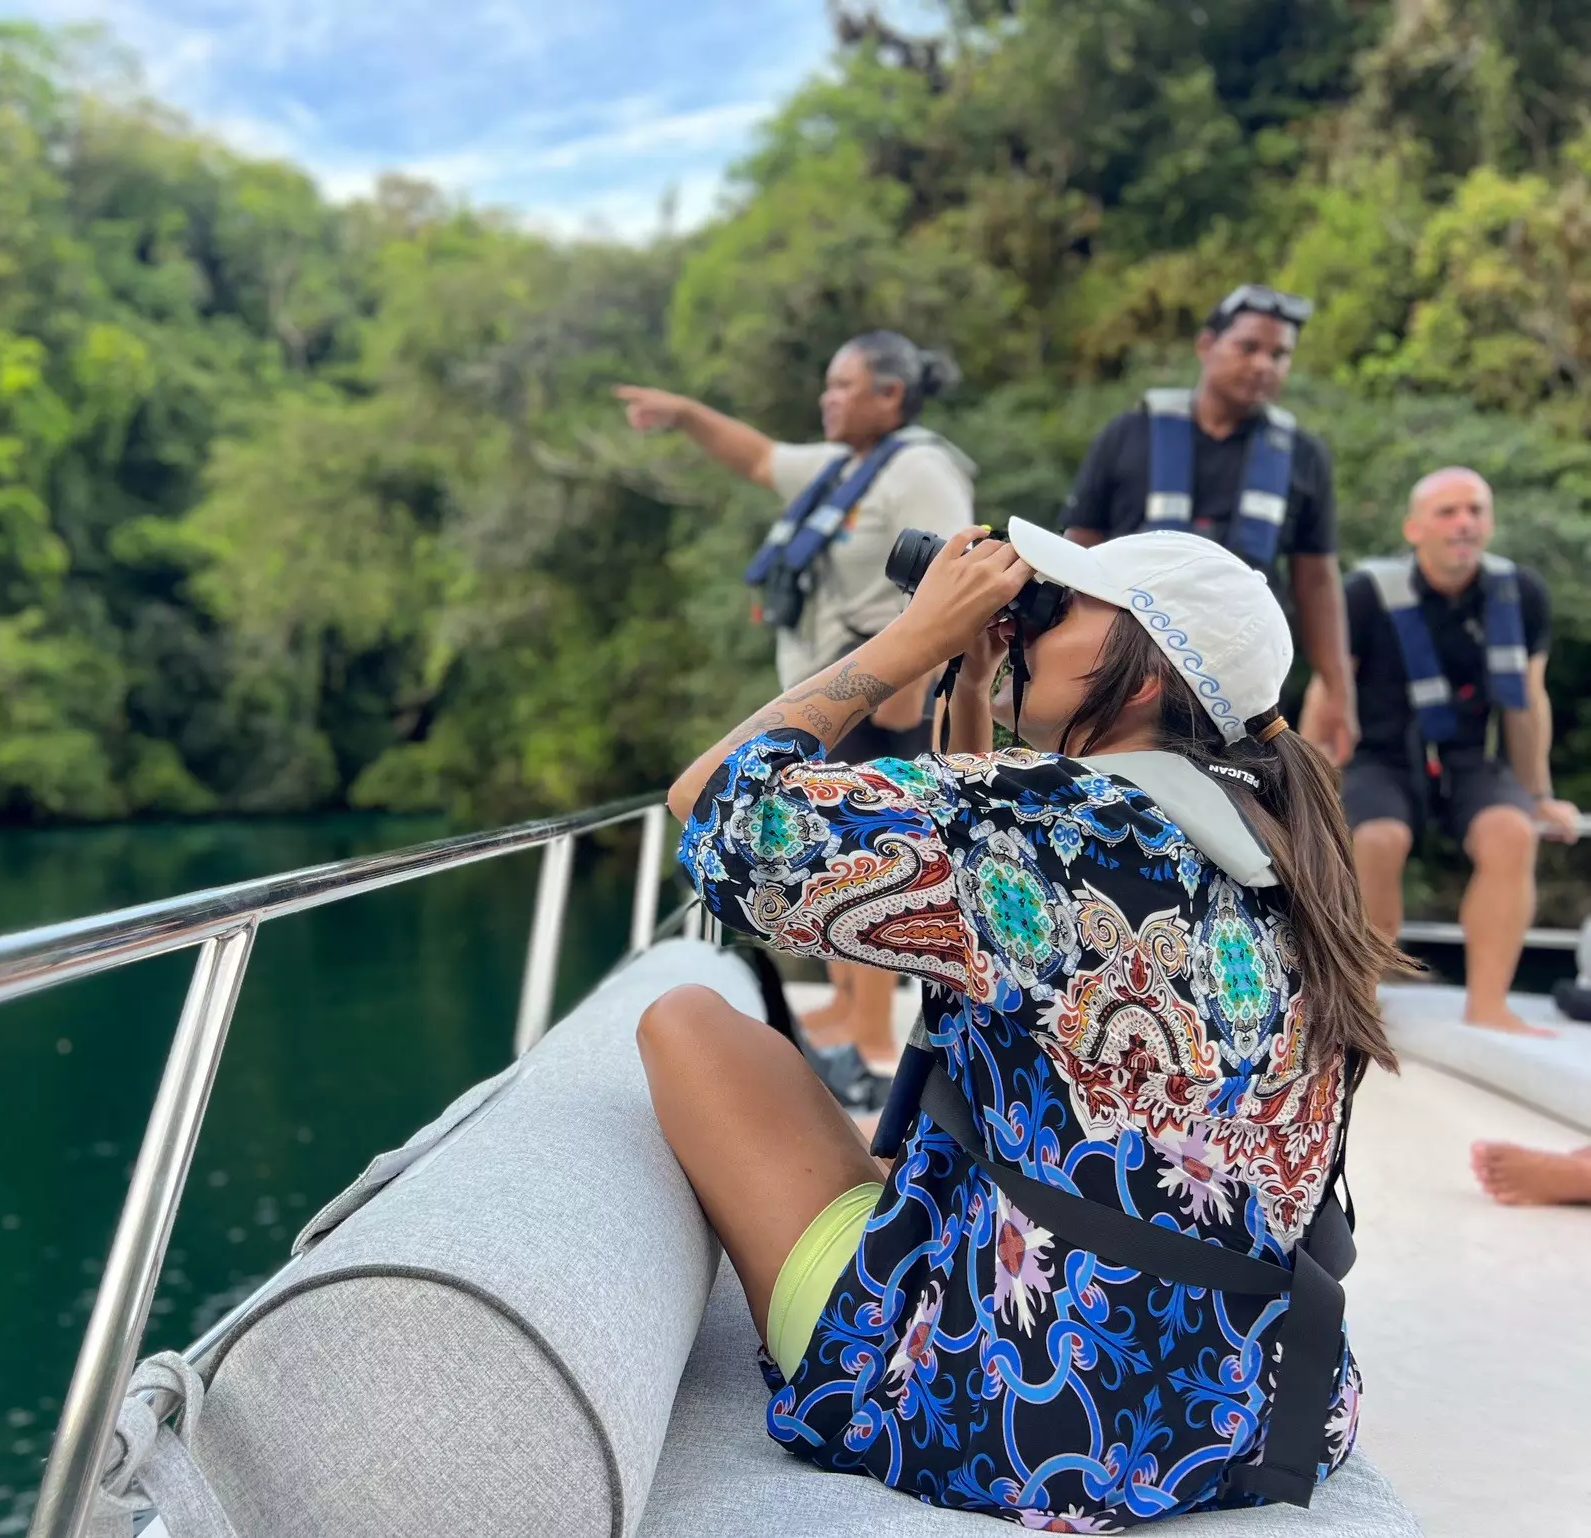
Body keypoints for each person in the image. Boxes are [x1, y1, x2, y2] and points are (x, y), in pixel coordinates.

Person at [638, 521, 1402, 1527]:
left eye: (1064, 603)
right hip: (1265, 1404)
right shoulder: (1278, 835)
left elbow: (710, 810)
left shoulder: (1051, 823)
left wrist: (903, 644)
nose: (1029, 619)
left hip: (1029, 1419)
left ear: (1135, 676)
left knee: (688, 1020)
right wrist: (979, 682)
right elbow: (976, 912)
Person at [616, 333, 975, 1073]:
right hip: (828, 703)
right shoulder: (840, 466)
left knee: (866, 859)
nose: (827, 398)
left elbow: (951, 577)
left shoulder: (919, 469)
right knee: (818, 848)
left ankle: (873, 1034)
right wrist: (684, 412)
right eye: (828, 384)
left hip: (880, 703)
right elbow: (755, 457)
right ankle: (847, 1004)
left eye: (844, 386)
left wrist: (906, 700)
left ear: (891, 397)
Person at [1307, 467, 1579, 1035]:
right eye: (1448, 512)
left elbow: (1529, 700)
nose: (1464, 523)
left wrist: (1539, 795)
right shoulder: (1364, 594)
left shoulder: (1520, 594)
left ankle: (1488, 1005)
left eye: (1475, 511)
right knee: (1380, 839)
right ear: (1414, 528)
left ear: (1491, 523)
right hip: (1381, 756)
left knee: (1513, 832)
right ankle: (1362, 1003)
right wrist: (1304, 788)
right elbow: (1329, 692)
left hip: (1469, 759)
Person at [1059, 284, 1357, 764]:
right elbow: (1076, 551)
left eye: (1280, 355)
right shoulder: (1128, 434)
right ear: (1206, 345)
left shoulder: (1303, 456)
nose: (1264, 364)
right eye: (1249, 347)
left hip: (1244, 686)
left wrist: (1339, 693)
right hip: (1128, 668)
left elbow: (1317, 583)